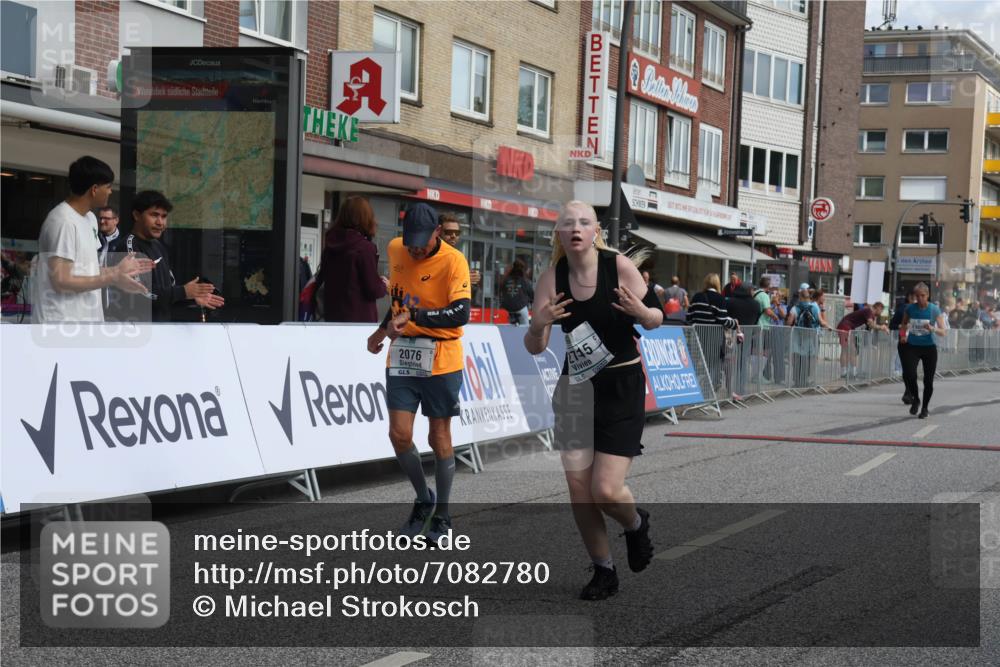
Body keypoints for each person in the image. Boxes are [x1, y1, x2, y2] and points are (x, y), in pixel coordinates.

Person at [523, 200, 661, 601]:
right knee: (579, 490)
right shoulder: (552, 277)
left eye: (584, 222)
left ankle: (635, 524)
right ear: (560, 234)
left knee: (605, 489)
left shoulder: (617, 267)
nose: (576, 229)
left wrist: (641, 311)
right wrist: (537, 325)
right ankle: (604, 570)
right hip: (576, 390)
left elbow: (656, 319)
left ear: (596, 230)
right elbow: (535, 346)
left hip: (621, 387)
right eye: (568, 224)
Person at [366, 203, 471, 545]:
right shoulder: (396, 248)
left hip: (442, 356)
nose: (415, 248)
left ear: (437, 233)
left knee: (437, 437)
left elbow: (461, 313)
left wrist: (412, 320)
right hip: (403, 356)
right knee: (398, 434)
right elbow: (398, 304)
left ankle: (442, 514)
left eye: (422, 243)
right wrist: (382, 331)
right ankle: (423, 500)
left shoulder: (454, 261)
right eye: (410, 242)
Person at [30, 156, 152, 323]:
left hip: (86, 323)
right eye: (108, 187)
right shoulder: (62, 222)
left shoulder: (90, 218)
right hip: (60, 325)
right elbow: (61, 281)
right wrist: (113, 276)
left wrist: (118, 273)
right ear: (94, 189)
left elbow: (88, 270)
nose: (110, 191)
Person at [109, 190, 223, 322]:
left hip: (161, 332)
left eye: (164, 216)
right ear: (136, 215)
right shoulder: (128, 246)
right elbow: (143, 294)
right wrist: (183, 292)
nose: (160, 222)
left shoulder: (158, 246)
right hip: (136, 333)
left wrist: (191, 296)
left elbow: (165, 294)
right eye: (154, 215)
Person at [320, 196, 388, 323]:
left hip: (332, 319)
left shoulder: (330, 245)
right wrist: (384, 285)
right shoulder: (364, 248)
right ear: (366, 218)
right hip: (359, 323)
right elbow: (372, 289)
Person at [899, 282, 947, 418]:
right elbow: (903, 324)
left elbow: (943, 332)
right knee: (909, 375)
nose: (920, 299)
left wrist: (933, 328)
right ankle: (916, 399)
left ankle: (925, 408)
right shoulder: (910, 308)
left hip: (929, 348)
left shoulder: (934, 310)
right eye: (917, 296)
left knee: (928, 381)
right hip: (912, 346)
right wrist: (903, 335)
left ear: (928, 295)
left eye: (923, 296)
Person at [687, 273, 739, 390]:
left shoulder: (696, 297)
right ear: (717, 283)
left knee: (696, 362)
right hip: (713, 337)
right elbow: (722, 319)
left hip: (697, 335)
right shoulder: (719, 298)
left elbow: (689, 317)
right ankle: (709, 389)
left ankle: (694, 389)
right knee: (713, 363)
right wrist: (734, 324)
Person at [726, 283, 761, 400]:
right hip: (747, 334)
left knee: (728, 361)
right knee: (742, 362)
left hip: (730, 334)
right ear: (749, 291)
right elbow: (756, 319)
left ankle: (729, 388)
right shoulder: (755, 304)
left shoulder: (730, 301)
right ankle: (741, 388)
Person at [836, 301, 887, 378]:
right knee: (848, 350)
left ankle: (850, 372)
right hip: (845, 327)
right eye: (881, 310)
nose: (881, 313)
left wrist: (876, 323)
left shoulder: (870, 313)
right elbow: (871, 324)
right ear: (878, 307)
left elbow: (870, 326)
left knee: (850, 350)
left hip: (847, 327)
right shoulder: (868, 311)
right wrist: (882, 327)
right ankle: (847, 372)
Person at [786, 286, 821, 388]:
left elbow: (789, 322)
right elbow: (819, 320)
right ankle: (804, 380)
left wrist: (787, 329)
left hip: (797, 336)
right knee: (806, 359)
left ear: (800, 297)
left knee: (797, 358)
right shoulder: (814, 307)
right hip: (809, 336)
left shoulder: (795, 308)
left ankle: (797, 381)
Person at [890, 291, 917, 404]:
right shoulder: (903, 309)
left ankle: (909, 392)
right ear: (910, 298)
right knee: (909, 369)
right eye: (917, 298)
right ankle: (909, 392)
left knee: (910, 369)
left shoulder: (923, 310)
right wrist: (902, 326)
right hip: (905, 341)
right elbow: (892, 325)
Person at [439, 213, 480, 287]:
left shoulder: (458, 257)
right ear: (439, 232)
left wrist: (467, 278)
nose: (453, 236)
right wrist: (463, 278)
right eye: (449, 232)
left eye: (457, 233)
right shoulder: (430, 253)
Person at [499, 259, 534, 326]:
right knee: (525, 327)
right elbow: (532, 294)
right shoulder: (524, 281)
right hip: (520, 308)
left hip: (507, 309)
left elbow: (500, 291)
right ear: (523, 269)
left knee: (508, 327)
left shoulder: (505, 280)